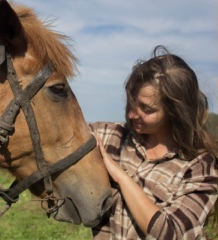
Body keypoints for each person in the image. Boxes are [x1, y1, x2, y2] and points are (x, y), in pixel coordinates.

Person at [89, 45, 218, 240]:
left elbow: (171, 233)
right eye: (132, 103)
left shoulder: (201, 168)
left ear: (175, 112)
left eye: (146, 109)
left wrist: (119, 175)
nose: (132, 114)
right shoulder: (112, 136)